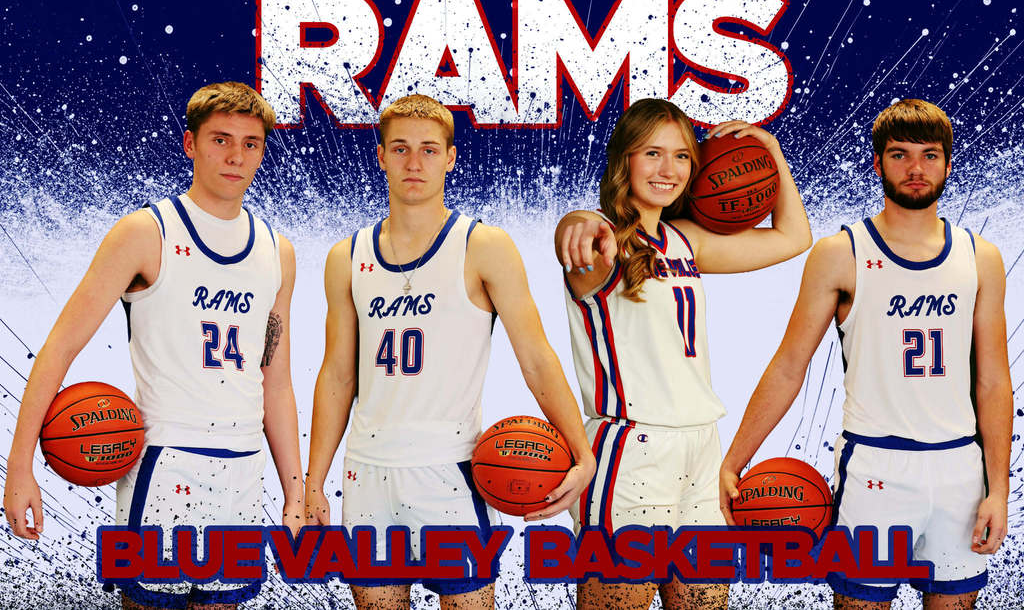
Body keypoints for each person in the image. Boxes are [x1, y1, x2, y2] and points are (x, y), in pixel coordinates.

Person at [2, 82, 304, 609]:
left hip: (242, 467)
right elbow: (59, 349)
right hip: (164, 461)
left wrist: (294, 491)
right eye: (220, 139)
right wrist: (20, 466)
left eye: (251, 143)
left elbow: (275, 383)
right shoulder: (146, 233)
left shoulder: (278, 251)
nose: (236, 156)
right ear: (190, 144)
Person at [304, 94, 597, 610]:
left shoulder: (483, 246)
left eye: (428, 149)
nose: (414, 162)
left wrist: (583, 452)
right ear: (380, 156)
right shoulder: (345, 257)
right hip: (368, 472)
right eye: (400, 149)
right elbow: (337, 376)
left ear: (451, 157)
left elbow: (536, 358)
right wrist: (314, 480)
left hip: (451, 471)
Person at [719, 99, 1011, 609]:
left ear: (947, 163)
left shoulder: (980, 258)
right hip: (876, 467)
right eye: (900, 155)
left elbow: (992, 381)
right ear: (877, 163)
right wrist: (734, 460)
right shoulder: (841, 253)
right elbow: (790, 366)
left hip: (960, 471)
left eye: (930, 155)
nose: (916, 168)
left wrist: (999, 491)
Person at [556, 98, 811, 610]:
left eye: (681, 156)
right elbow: (576, 233)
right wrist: (578, 218)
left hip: (701, 448)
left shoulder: (685, 240)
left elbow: (794, 237)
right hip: (630, 452)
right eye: (652, 153)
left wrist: (772, 153)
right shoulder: (601, 245)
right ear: (624, 160)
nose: (667, 169)